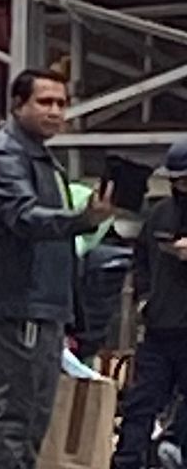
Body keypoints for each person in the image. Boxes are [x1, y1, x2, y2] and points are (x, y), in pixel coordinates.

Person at [0, 68, 114, 469]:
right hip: (22, 303)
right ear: (18, 105)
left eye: (61, 103)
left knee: (33, 417)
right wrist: (82, 219)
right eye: (45, 102)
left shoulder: (39, 157)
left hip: (44, 304)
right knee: (15, 417)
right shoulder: (4, 154)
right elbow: (24, 217)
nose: (55, 111)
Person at [112, 140, 187, 469]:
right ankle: (128, 461)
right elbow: (141, 258)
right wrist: (144, 300)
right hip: (159, 329)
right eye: (178, 180)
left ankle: (174, 447)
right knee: (140, 404)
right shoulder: (159, 214)